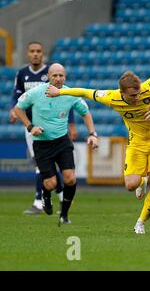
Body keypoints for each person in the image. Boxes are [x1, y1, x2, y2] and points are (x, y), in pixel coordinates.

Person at [46, 67, 150, 234]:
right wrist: (60, 92)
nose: (137, 98)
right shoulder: (112, 97)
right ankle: (142, 182)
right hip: (137, 143)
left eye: (138, 94)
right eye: (132, 96)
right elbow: (85, 92)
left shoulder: (148, 88)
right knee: (130, 185)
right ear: (122, 93)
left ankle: (140, 222)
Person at [14, 63, 98, 225]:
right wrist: (31, 127)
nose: (58, 79)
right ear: (48, 77)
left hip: (62, 141)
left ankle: (64, 215)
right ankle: (46, 196)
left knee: (70, 179)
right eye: (55, 75)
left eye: (61, 75)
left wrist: (92, 134)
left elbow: (85, 112)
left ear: (65, 76)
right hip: (42, 144)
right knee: (51, 183)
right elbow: (18, 109)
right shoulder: (36, 92)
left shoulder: (70, 93)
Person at [9, 41, 78, 215]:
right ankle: (46, 199)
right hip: (32, 128)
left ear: (43, 54)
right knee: (43, 166)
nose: (35, 54)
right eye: (32, 51)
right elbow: (16, 97)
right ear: (27, 54)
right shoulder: (22, 73)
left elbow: (64, 100)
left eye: (39, 51)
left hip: (53, 126)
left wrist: (70, 123)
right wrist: (14, 111)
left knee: (47, 166)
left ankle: (41, 200)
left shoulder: (52, 73)